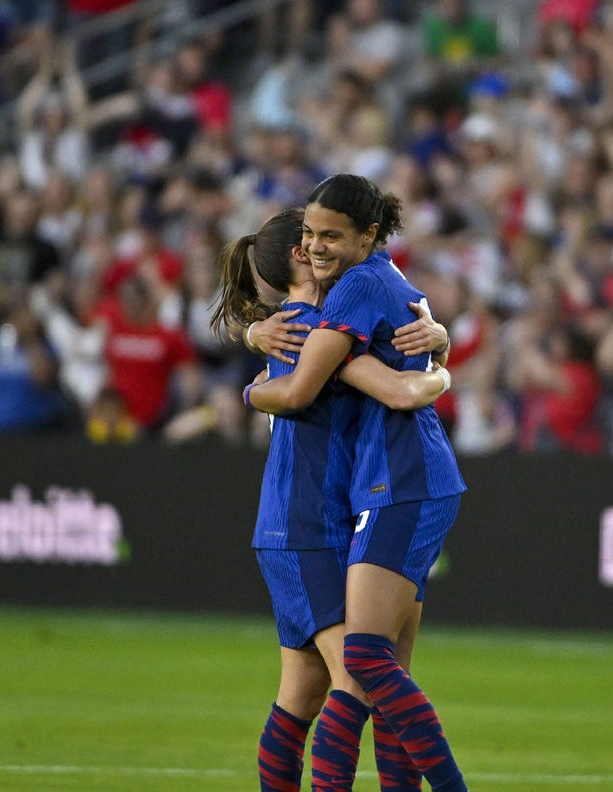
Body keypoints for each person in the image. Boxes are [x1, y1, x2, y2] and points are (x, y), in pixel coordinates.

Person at [214, 208, 451, 792]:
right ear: (300, 254)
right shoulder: (316, 331)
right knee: (361, 676)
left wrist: (439, 338)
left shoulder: (299, 322)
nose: (325, 247)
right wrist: (441, 373)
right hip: (307, 522)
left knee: (303, 691)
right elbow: (396, 389)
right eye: (314, 239)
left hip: (307, 519)